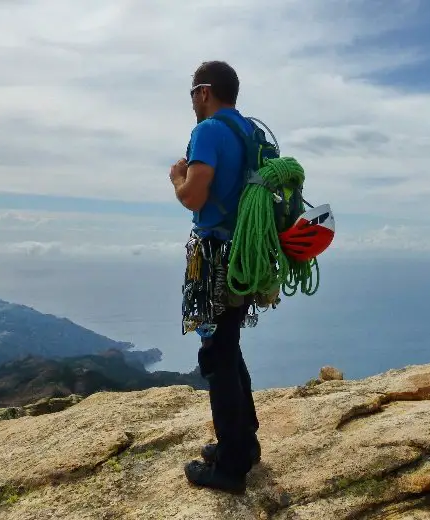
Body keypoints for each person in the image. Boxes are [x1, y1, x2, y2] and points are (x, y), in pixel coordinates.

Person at [168, 60, 262, 494]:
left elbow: (194, 196)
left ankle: (231, 467)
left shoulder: (207, 131)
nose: (191, 102)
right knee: (229, 345)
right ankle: (243, 443)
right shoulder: (249, 131)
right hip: (244, 255)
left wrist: (176, 179)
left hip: (215, 257)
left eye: (192, 94)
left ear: (205, 92)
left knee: (217, 356)